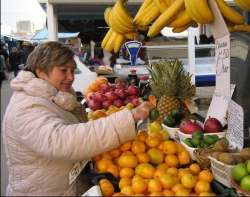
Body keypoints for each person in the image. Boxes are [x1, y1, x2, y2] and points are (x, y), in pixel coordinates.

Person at [2, 41, 153, 196]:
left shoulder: (51, 97)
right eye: (63, 70)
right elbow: (62, 142)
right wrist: (128, 119)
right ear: (40, 71)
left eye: (72, 70)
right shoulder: (27, 106)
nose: (70, 77)